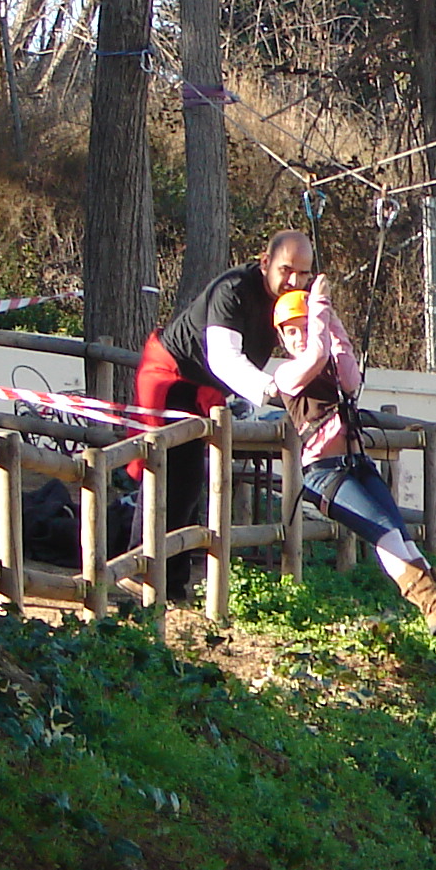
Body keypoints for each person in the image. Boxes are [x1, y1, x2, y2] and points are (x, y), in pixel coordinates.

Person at [270, 286, 436, 643]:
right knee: (385, 533)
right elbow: (318, 353)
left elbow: (348, 373)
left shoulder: (327, 366)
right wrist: (319, 303)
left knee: (401, 536)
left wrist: (332, 320)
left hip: (356, 465)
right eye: (291, 331)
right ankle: (433, 606)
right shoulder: (288, 375)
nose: (299, 337)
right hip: (326, 475)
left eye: (303, 327)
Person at [134, 231, 314, 596]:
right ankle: (142, 573)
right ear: (265, 263)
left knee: (189, 486)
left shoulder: (298, 298)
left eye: (304, 273)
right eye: (286, 270)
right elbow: (224, 358)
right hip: (173, 378)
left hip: (210, 391)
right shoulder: (232, 289)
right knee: (171, 476)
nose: (294, 281)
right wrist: (269, 390)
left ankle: (171, 583)